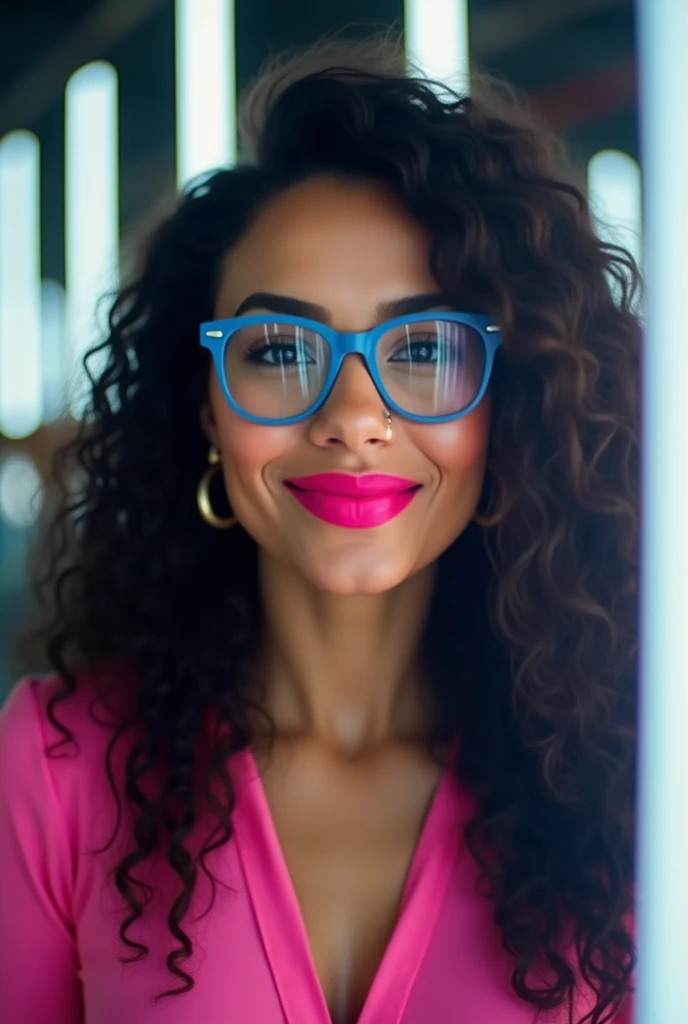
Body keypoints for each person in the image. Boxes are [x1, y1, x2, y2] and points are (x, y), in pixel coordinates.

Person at [0, 35, 639, 1024]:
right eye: (278, 348)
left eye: (423, 345)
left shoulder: (632, 780)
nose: (351, 414)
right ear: (205, 407)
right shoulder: (56, 763)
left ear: (507, 408)